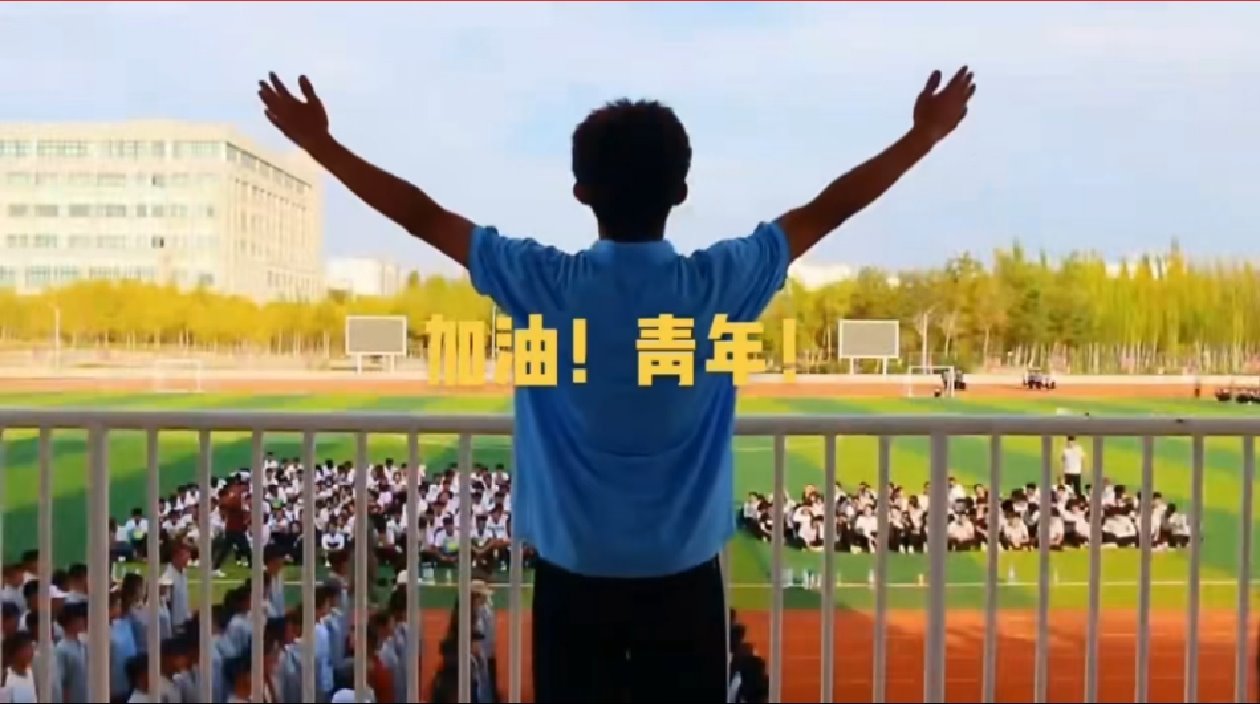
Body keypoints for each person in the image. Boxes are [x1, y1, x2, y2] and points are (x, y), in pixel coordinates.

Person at [257, 64, 975, 702]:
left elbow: (421, 217)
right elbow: (827, 210)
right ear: (682, 190)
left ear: (581, 191)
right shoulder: (719, 283)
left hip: (574, 582)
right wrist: (923, 137)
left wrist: (321, 145)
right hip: (685, 581)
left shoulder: (541, 282)